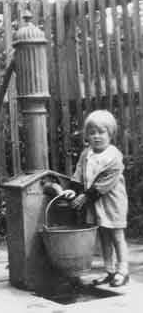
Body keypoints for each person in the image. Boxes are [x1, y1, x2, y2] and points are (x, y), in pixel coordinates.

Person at [70, 110, 129, 287]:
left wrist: (85, 197)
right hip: (94, 202)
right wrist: (74, 190)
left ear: (110, 134)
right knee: (103, 235)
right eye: (92, 132)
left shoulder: (114, 157)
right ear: (87, 135)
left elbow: (104, 183)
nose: (96, 136)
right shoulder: (86, 154)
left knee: (117, 235)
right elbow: (79, 173)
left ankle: (122, 271)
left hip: (112, 202)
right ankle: (109, 270)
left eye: (101, 132)